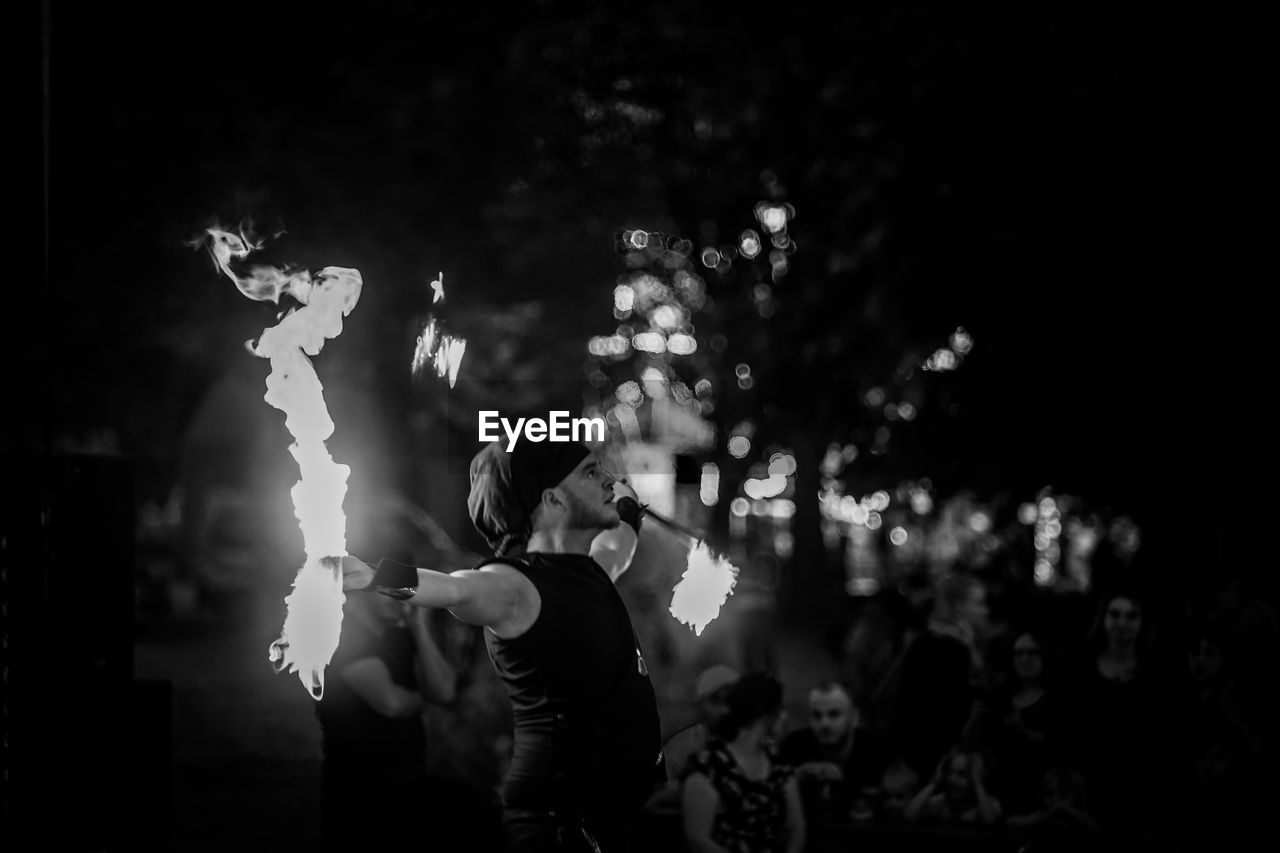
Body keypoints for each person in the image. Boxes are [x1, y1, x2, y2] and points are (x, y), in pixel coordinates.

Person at [341, 440, 661, 852]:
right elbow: (454, 589)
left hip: (611, 813)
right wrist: (373, 576)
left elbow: (620, 545)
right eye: (590, 473)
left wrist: (630, 513)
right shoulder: (513, 585)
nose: (610, 481)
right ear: (552, 499)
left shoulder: (592, 570)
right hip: (560, 826)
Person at [316, 587, 457, 851]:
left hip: (409, 783)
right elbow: (392, 703)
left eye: (402, 590)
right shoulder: (341, 637)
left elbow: (445, 690)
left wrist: (419, 626)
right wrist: (424, 698)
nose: (399, 598)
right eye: (387, 590)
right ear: (359, 592)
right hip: (357, 794)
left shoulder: (400, 635)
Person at [681, 673, 805, 853]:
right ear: (764, 712)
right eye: (780, 708)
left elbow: (797, 825)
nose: (785, 715)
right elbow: (698, 840)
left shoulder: (777, 763)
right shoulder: (708, 766)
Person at [889, 573, 989, 778]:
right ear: (958, 606)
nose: (985, 610)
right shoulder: (948, 648)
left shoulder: (959, 642)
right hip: (939, 757)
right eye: (978, 603)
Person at [777, 681, 888, 823]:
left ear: (854, 718)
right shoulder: (794, 745)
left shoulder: (876, 749)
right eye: (816, 716)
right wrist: (797, 776)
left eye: (834, 714)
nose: (824, 724)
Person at [903, 746, 1002, 826]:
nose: (952, 779)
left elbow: (990, 824)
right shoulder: (940, 802)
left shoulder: (989, 804)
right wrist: (935, 782)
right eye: (949, 772)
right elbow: (909, 815)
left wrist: (978, 785)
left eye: (962, 774)